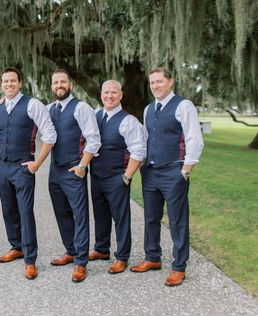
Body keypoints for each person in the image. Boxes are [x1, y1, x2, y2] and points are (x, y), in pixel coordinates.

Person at [130, 67, 204, 287]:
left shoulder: (183, 105)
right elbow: (145, 139)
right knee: (151, 217)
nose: (155, 86)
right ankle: (152, 257)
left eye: (159, 81)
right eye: (152, 82)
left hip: (174, 171)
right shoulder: (148, 109)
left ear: (170, 82)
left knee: (177, 220)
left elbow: (194, 139)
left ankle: (179, 267)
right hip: (150, 172)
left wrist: (186, 170)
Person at [0, 67, 56, 280]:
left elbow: (50, 135)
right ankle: (16, 247)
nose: (9, 84)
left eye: (12, 81)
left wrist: (37, 163)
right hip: (4, 167)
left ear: (20, 83)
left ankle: (30, 260)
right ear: (1, 84)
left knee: (25, 212)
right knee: (8, 210)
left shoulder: (32, 104)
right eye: (5, 81)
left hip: (23, 167)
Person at [47, 70, 101, 283]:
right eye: (55, 82)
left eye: (62, 82)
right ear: (52, 86)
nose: (59, 85)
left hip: (74, 170)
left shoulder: (81, 107)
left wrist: (82, 166)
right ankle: (70, 251)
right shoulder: (49, 108)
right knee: (62, 213)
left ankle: (80, 262)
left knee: (80, 215)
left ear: (70, 84)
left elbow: (93, 139)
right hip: (54, 170)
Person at [89, 80, 145, 275]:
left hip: (117, 177)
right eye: (106, 93)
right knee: (100, 213)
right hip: (96, 176)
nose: (109, 96)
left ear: (121, 95)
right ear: (101, 94)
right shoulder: (95, 115)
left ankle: (121, 256)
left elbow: (138, 151)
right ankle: (101, 249)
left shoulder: (128, 121)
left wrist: (127, 177)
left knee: (120, 218)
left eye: (114, 93)